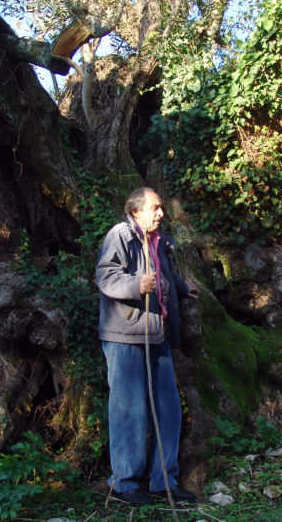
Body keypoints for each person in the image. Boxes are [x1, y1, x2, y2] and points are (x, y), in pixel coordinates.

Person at [95, 187, 199, 505]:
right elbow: (105, 275)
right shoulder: (120, 235)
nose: (161, 213)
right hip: (125, 334)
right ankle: (125, 484)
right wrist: (135, 284)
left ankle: (162, 480)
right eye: (155, 207)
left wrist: (182, 287)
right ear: (136, 211)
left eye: (161, 208)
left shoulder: (160, 241)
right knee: (129, 409)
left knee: (168, 408)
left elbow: (165, 274)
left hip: (158, 335)